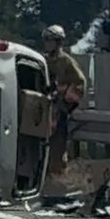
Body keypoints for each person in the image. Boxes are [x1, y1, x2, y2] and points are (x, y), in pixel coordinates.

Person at [42, 24, 86, 178]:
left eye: (50, 40)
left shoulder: (66, 62)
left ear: (58, 42)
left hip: (58, 111)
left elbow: (80, 83)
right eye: (46, 40)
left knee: (57, 148)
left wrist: (66, 103)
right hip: (42, 110)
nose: (47, 43)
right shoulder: (42, 60)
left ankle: (58, 179)